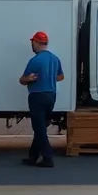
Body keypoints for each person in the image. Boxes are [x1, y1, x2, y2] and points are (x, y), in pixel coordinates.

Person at [18, 31, 64, 167]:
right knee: (41, 127)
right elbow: (61, 77)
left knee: (39, 130)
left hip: (37, 96)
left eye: (33, 42)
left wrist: (28, 78)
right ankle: (32, 157)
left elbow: (22, 80)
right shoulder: (55, 59)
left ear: (37, 42)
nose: (32, 45)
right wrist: (49, 78)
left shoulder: (35, 61)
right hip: (51, 96)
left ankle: (48, 158)